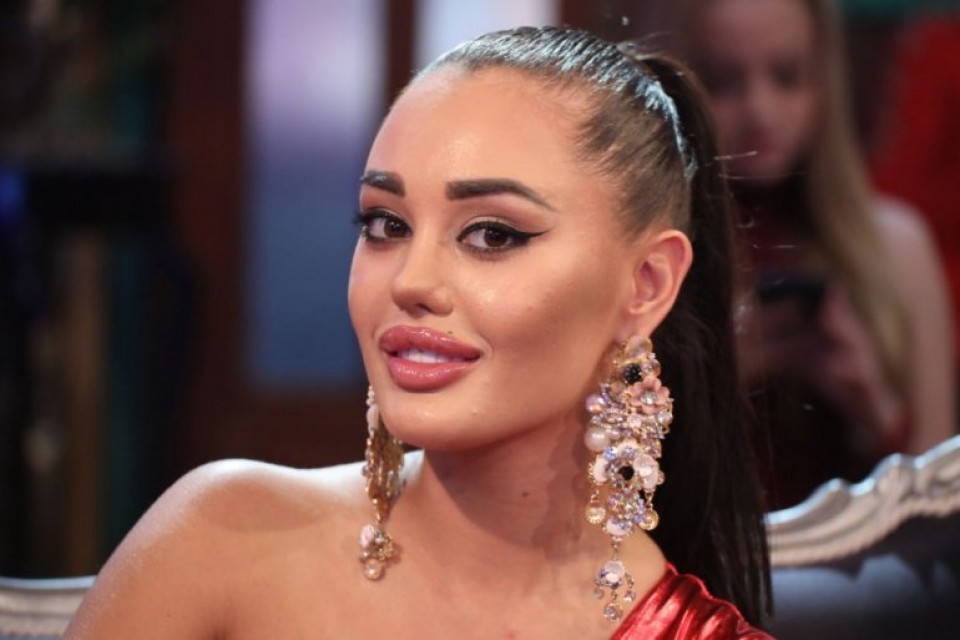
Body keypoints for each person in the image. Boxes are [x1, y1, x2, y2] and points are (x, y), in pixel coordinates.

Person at [64, 27, 771, 638]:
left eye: (492, 234)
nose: (410, 281)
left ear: (646, 284)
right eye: (386, 224)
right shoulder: (221, 539)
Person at [678, 0, 956, 508]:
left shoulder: (896, 247)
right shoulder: (659, 258)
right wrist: (719, 380)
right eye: (723, 82)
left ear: (826, 78)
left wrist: (871, 403)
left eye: (788, 76)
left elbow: (940, 509)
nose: (761, 110)